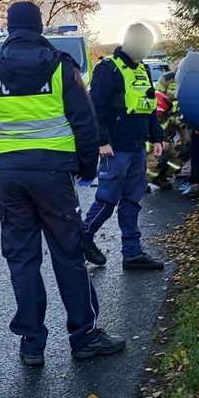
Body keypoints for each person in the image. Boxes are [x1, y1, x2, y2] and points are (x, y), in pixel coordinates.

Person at [0, 2, 125, 366]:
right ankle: (83, 337)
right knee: (68, 255)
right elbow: (85, 121)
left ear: (8, 29)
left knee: (22, 259)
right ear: (39, 29)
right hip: (55, 175)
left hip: (10, 178)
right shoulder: (60, 66)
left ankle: (32, 344)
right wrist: (85, 168)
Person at [81, 23, 168, 271]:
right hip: (115, 149)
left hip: (137, 147)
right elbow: (95, 108)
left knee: (132, 201)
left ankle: (132, 253)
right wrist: (102, 141)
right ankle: (83, 237)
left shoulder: (142, 71)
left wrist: (157, 137)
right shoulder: (107, 69)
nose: (144, 49)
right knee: (108, 200)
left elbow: (149, 108)